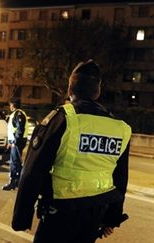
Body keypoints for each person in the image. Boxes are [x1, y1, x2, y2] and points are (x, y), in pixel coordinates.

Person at [11, 60, 132, 243]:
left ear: (70, 90)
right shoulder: (120, 128)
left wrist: (22, 218)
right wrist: (111, 218)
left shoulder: (61, 119)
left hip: (60, 214)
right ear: (97, 92)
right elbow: (120, 178)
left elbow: (33, 171)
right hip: (94, 215)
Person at [2, 97, 28, 190]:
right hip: (16, 141)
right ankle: (18, 182)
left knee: (15, 162)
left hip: (17, 142)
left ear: (12, 105)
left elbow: (20, 129)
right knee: (16, 162)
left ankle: (15, 182)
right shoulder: (17, 113)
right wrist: (10, 141)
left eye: (10, 104)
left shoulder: (18, 114)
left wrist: (15, 141)